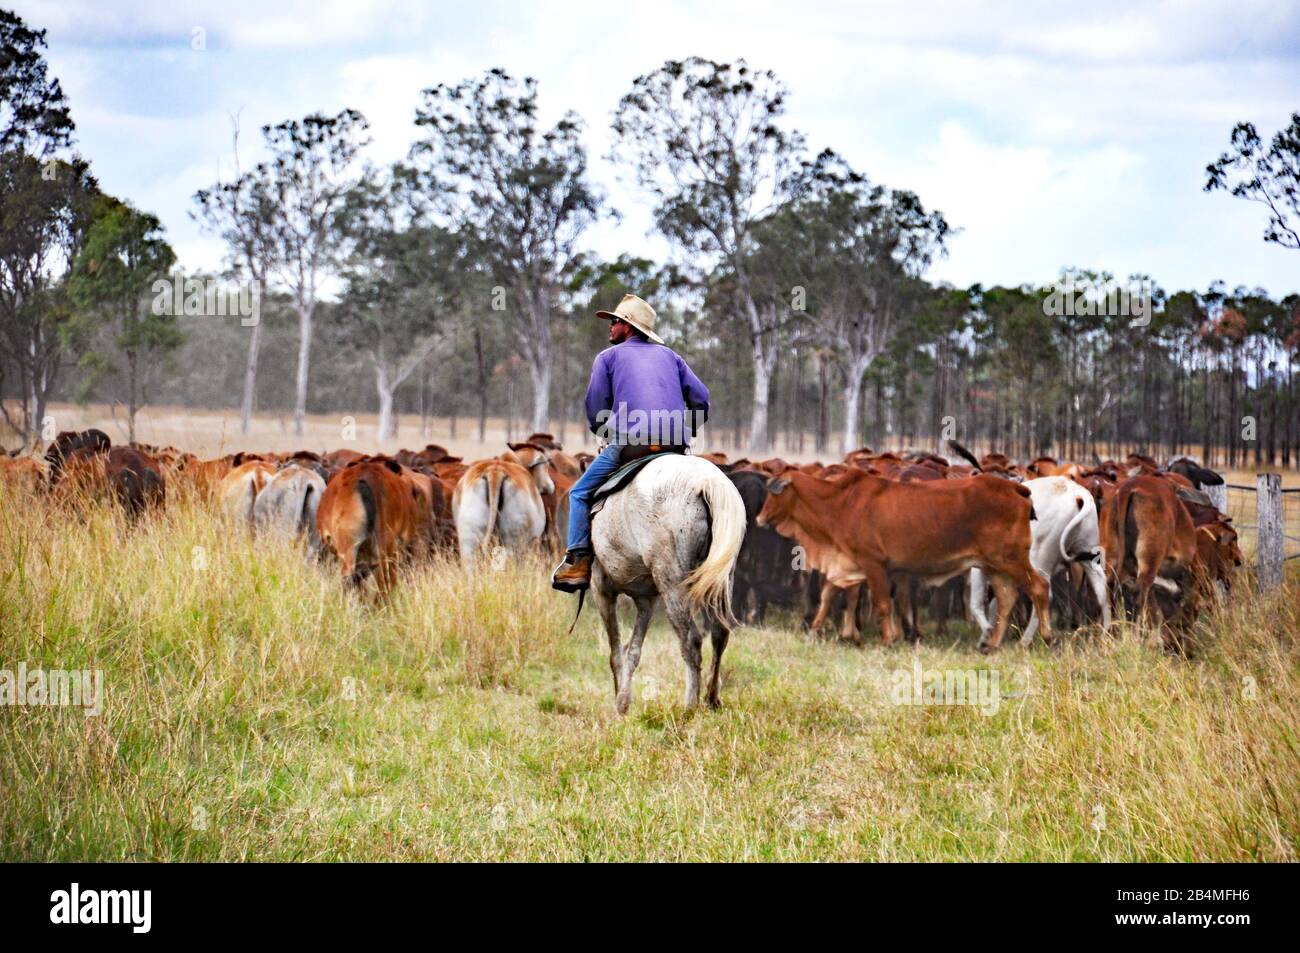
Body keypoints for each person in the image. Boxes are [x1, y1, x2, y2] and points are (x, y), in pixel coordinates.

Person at [551, 294, 710, 592]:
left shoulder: (607, 358)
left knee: (579, 494)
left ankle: (578, 565)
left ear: (628, 326)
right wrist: (683, 430)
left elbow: (596, 404)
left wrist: (604, 430)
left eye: (614, 321)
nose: (610, 326)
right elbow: (701, 399)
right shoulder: (672, 357)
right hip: (675, 447)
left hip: (629, 446)